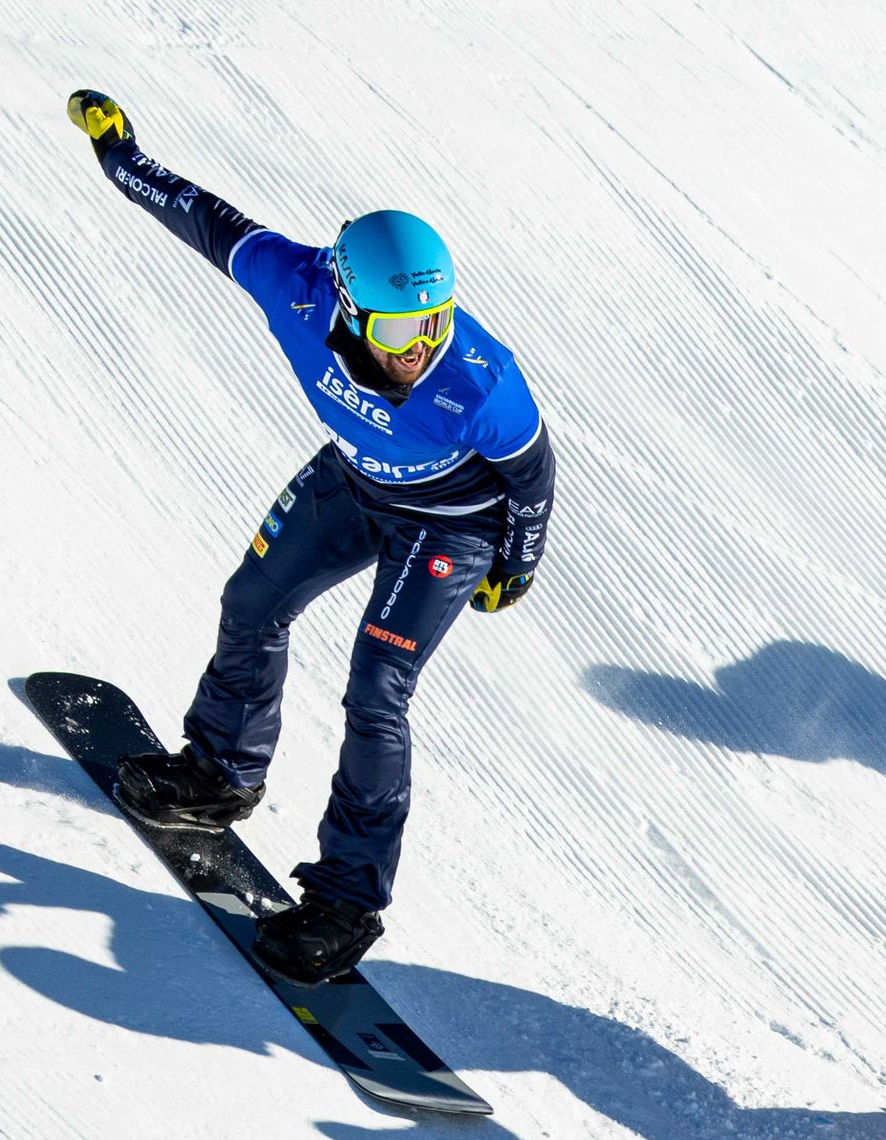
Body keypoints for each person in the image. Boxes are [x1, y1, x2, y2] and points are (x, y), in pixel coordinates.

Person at [64, 90, 554, 982]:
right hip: (353, 481)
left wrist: (516, 565)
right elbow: (207, 221)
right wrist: (120, 157)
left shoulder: (481, 382)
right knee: (250, 601)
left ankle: (347, 900)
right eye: (402, 327)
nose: (420, 346)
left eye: (435, 320)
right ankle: (221, 771)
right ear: (351, 304)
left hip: (449, 528)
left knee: (377, 685)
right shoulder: (296, 286)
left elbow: (530, 476)